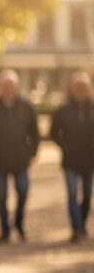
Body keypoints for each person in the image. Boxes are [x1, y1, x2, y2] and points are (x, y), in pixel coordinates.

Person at [0, 69, 40, 244]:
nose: (8, 89)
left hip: (21, 159)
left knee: (23, 191)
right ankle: (4, 230)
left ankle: (19, 223)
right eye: (5, 85)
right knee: (1, 197)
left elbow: (35, 133)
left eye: (11, 85)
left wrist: (32, 152)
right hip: (0, 160)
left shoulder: (27, 107)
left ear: (16, 87)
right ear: (0, 87)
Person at [50, 72, 94, 242]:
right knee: (72, 193)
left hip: (90, 160)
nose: (81, 91)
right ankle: (75, 227)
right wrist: (65, 145)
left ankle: (82, 223)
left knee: (88, 194)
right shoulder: (63, 110)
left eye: (84, 87)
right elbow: (54, 132)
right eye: (78, 88)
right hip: (70, 160)